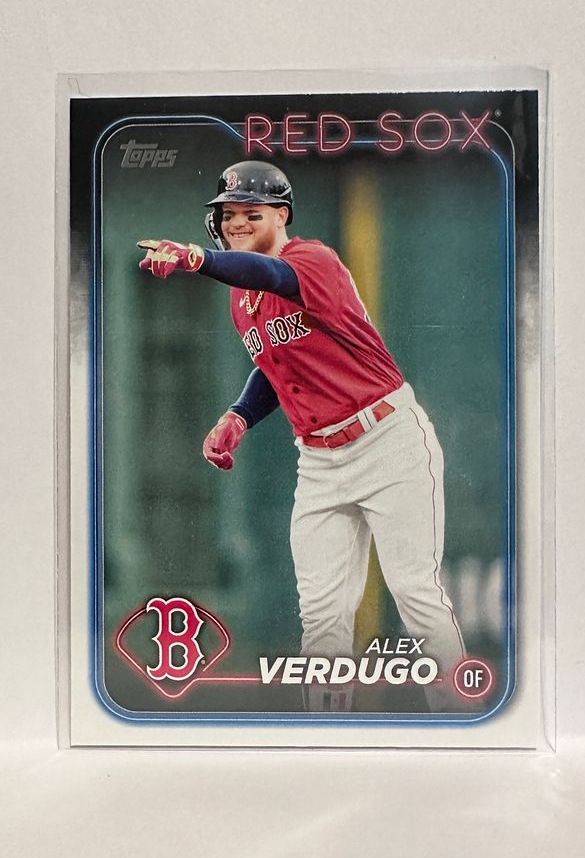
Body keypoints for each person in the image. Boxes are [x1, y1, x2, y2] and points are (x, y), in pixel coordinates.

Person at [137, 160, 467, 712]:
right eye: (228, 213)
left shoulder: (311, 261)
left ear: (281, 215)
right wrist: (240, 415)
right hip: (318, 461)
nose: (236, 222)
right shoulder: (240, 296)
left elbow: (269, 275)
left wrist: (197, 259)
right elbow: (276, 363)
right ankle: (327, 734)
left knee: (415, 593)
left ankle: (465, 725)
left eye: (252, 212)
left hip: (387, 440)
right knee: (322, 614)